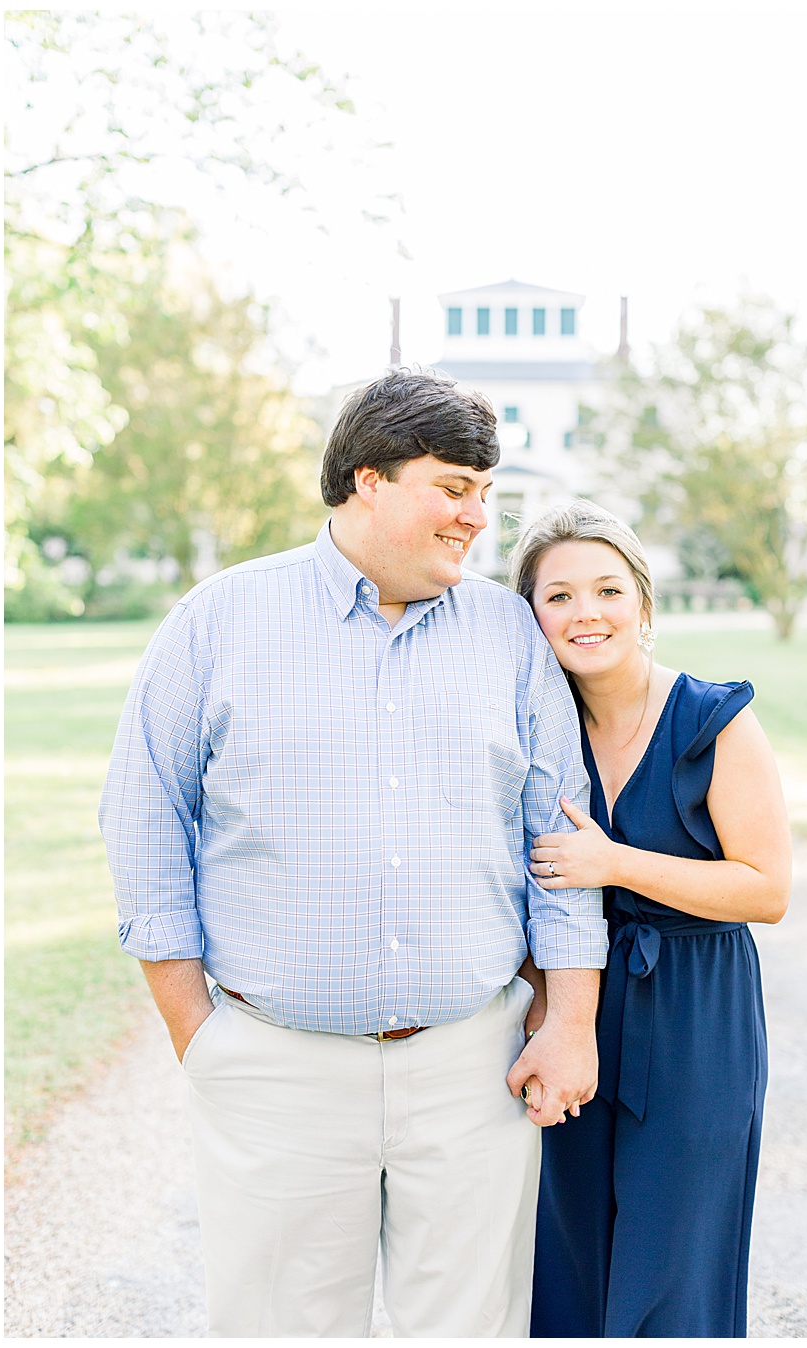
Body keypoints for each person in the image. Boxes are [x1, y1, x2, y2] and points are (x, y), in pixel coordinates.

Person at [99, 368, 605, 1337]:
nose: (477, 517)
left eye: (487, 494)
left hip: (473, 1066)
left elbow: (559, 835)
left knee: (468, 1329)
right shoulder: (217, 623)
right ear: (367, 480)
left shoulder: (510, 634)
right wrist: (197, 1034)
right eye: (454, 487)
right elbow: (144, 818)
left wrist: (569, 1016)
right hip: (274, 1066)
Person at [508, 500, 791, 1337]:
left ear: (642, 601)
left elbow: (768, 890)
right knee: (567, 1254)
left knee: (676, 1266)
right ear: (529, 615)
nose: (585, 613)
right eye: (557, 596)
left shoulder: (715, 722)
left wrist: (616, 863)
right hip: (569, 1004)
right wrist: (541, 1005)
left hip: (697, 1011)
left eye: (606, 589)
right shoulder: (528, 730)